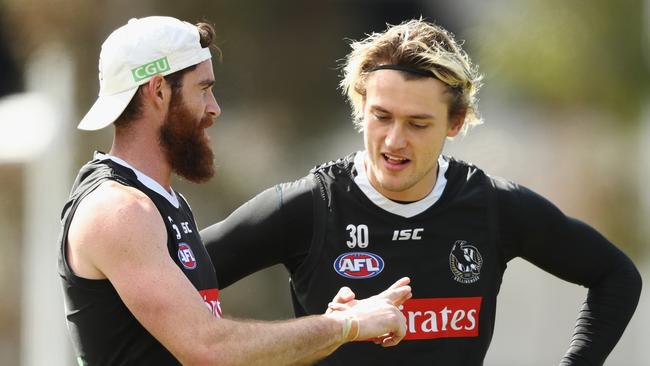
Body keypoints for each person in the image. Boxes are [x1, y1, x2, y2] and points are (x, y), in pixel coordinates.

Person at [201, 19, 643, 365]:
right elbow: (172, 288)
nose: (394, 140)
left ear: (455, 123)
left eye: (417, 124)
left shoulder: (493, 208)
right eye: (381, 116)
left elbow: (616, 277)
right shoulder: (309, 207)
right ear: (360, 107)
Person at [58, 16, 413, 366]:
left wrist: (328, 332)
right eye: (203, 88)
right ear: (159, 91)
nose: (214, 108)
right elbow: (208, 348)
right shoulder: (119, 209)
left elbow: (226, 353)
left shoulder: (162, 202)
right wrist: (342, 326)